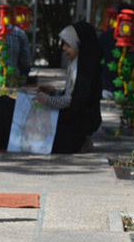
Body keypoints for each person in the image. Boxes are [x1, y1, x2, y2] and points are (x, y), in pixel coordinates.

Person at [33, 21, 102, 153]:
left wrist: (47, 100)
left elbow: (72, 101)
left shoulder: (85, 71)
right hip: (76, 117)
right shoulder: (76, 65)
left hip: (79, 122)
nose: (64, 48)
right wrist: (53, 92)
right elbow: (72, 96)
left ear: (80, 45)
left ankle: (83, 141)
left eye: (68, 44)